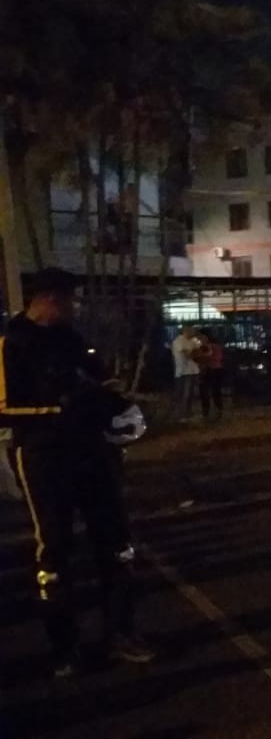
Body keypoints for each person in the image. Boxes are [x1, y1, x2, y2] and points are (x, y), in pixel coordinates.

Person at [1, 267, 154, 676]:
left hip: (93, 451)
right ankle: (65, 648)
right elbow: (5, 408)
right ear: (50, 299)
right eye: (70, 299)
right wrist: (63, 408)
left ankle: (121, 633)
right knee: (54, 551)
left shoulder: (71, 339)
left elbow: (103, 381)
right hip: (44, 456)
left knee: (117, 545)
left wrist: (119, 401)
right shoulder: (11, 344)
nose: (76, 306)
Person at [194, 331, 226, 420]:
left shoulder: (203, 348)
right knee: (215, 391)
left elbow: (201, 358)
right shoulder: (216, 347)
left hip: (207, 370)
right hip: (215, 370)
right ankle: (218, 410)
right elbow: (219, 358)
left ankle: (207, 412)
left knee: (206, 392)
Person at [171, 325, 200, 419]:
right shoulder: (178, 341)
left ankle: (188, 413)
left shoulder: (194, 340)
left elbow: (200, 349)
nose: (194, 332)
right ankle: (181, 415)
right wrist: (196, 353)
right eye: (192, 330)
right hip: (183, 372)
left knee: (190, 394)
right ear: (186, 330)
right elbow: (188, 355)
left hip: (193, 370)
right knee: (184, 394)